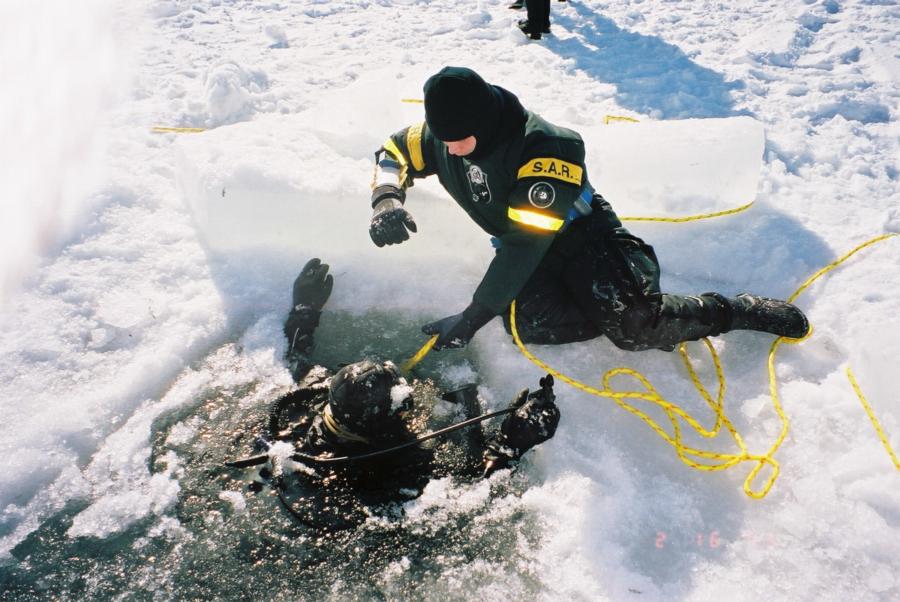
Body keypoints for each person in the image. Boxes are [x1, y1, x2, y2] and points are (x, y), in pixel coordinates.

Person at [367, 66, 809, 354]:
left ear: (483, 123)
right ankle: (609, 303)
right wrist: (387, 198)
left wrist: (473, 315)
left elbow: (526, 242)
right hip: (524, 244)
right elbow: (392, 150)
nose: (449, 151)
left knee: (636, 328)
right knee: (527, 324)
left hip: (582, 237)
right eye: (443, 141)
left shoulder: (546, 146)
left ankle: (732, 310)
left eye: (459, 141)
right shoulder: (446, 136)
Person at [231, 258, 560, 530]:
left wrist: (305, 309)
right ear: (379, 427)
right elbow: (469, 487)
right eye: (400, 405)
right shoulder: (396, 463)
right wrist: (513, 443)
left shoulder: (303, 405)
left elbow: (297, 359)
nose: (408, 396)